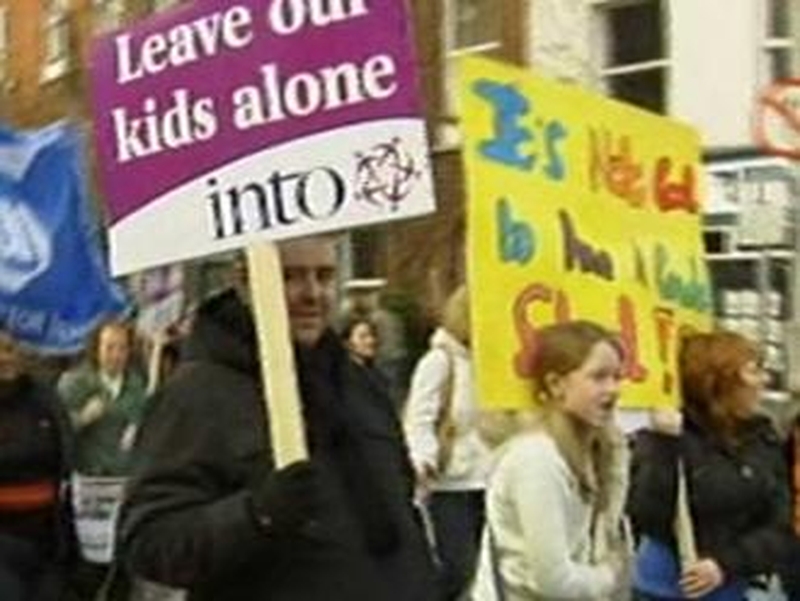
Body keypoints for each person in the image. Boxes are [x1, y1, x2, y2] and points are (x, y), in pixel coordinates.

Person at [116, 236, 439, 601]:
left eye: (325, 276)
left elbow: (401, 509)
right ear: (245, 280)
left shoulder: (358, 383)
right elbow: (150, 542)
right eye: (290, 277)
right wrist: (257, 515)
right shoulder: (198, 395)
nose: (312, 293)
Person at [628, 330, 795, 601]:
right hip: (662, 590)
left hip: (733, 587)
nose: (764, 380)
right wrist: (663, 447)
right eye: (754, 371)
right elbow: (648, 515)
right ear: (719, 380)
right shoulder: (669, 435)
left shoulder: (764, 439)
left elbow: (780, 522)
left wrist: (726, 564)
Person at [470, 320, 629, 601]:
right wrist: (610, 575)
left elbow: (602, 535)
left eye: (617, 377)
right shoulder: (536, 459)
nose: (613, 389)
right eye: (599, 377)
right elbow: (556, 582)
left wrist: (615, 454)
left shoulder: (592, 451)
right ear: (556, 384)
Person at [404, 285, 492, 600]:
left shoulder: (494, 364)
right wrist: (422, 460)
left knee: (490, 574)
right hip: (451, 484)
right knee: (459, 569)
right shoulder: (440, 362)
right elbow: (420, 418)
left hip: (492, 480)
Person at [56, 319, 149, 597]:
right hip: (89, 484)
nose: (116, 355)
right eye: (109, 347)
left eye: (122, 348)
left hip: (124, 483)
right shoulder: (74, 383)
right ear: (96, 349)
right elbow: (56, 431)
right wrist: (82, 418)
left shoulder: (136, 386)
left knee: (122, 560)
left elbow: (144, 422)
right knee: (90, 563)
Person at [0, 329, 76, 601]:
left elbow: (66, 453)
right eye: (0, 350)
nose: (6, 357)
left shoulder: (44, 399)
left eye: (11, 349)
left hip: (47, 536)